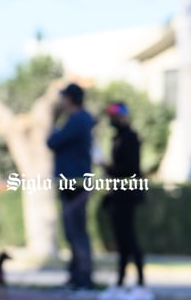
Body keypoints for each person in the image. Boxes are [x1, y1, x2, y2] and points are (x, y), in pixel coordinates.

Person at [46, 82, 96, 292]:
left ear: (70, 99)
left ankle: (83, 278)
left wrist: (54, 125)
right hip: (72, 180)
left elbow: (52, 141)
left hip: (75, 182)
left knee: (76, 231)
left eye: (64, 97)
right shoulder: (79, 120)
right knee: (72, 230)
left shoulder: (78, 121)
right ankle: (76, 275)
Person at [100, 101, 147, 296]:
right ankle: (121, 281)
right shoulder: (117, 138)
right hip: (119, 194)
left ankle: (140, 282)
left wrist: (109, 168)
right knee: (122, 239)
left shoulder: (130, 138)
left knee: (128, 238)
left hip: (127, 195)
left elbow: (130, 168)